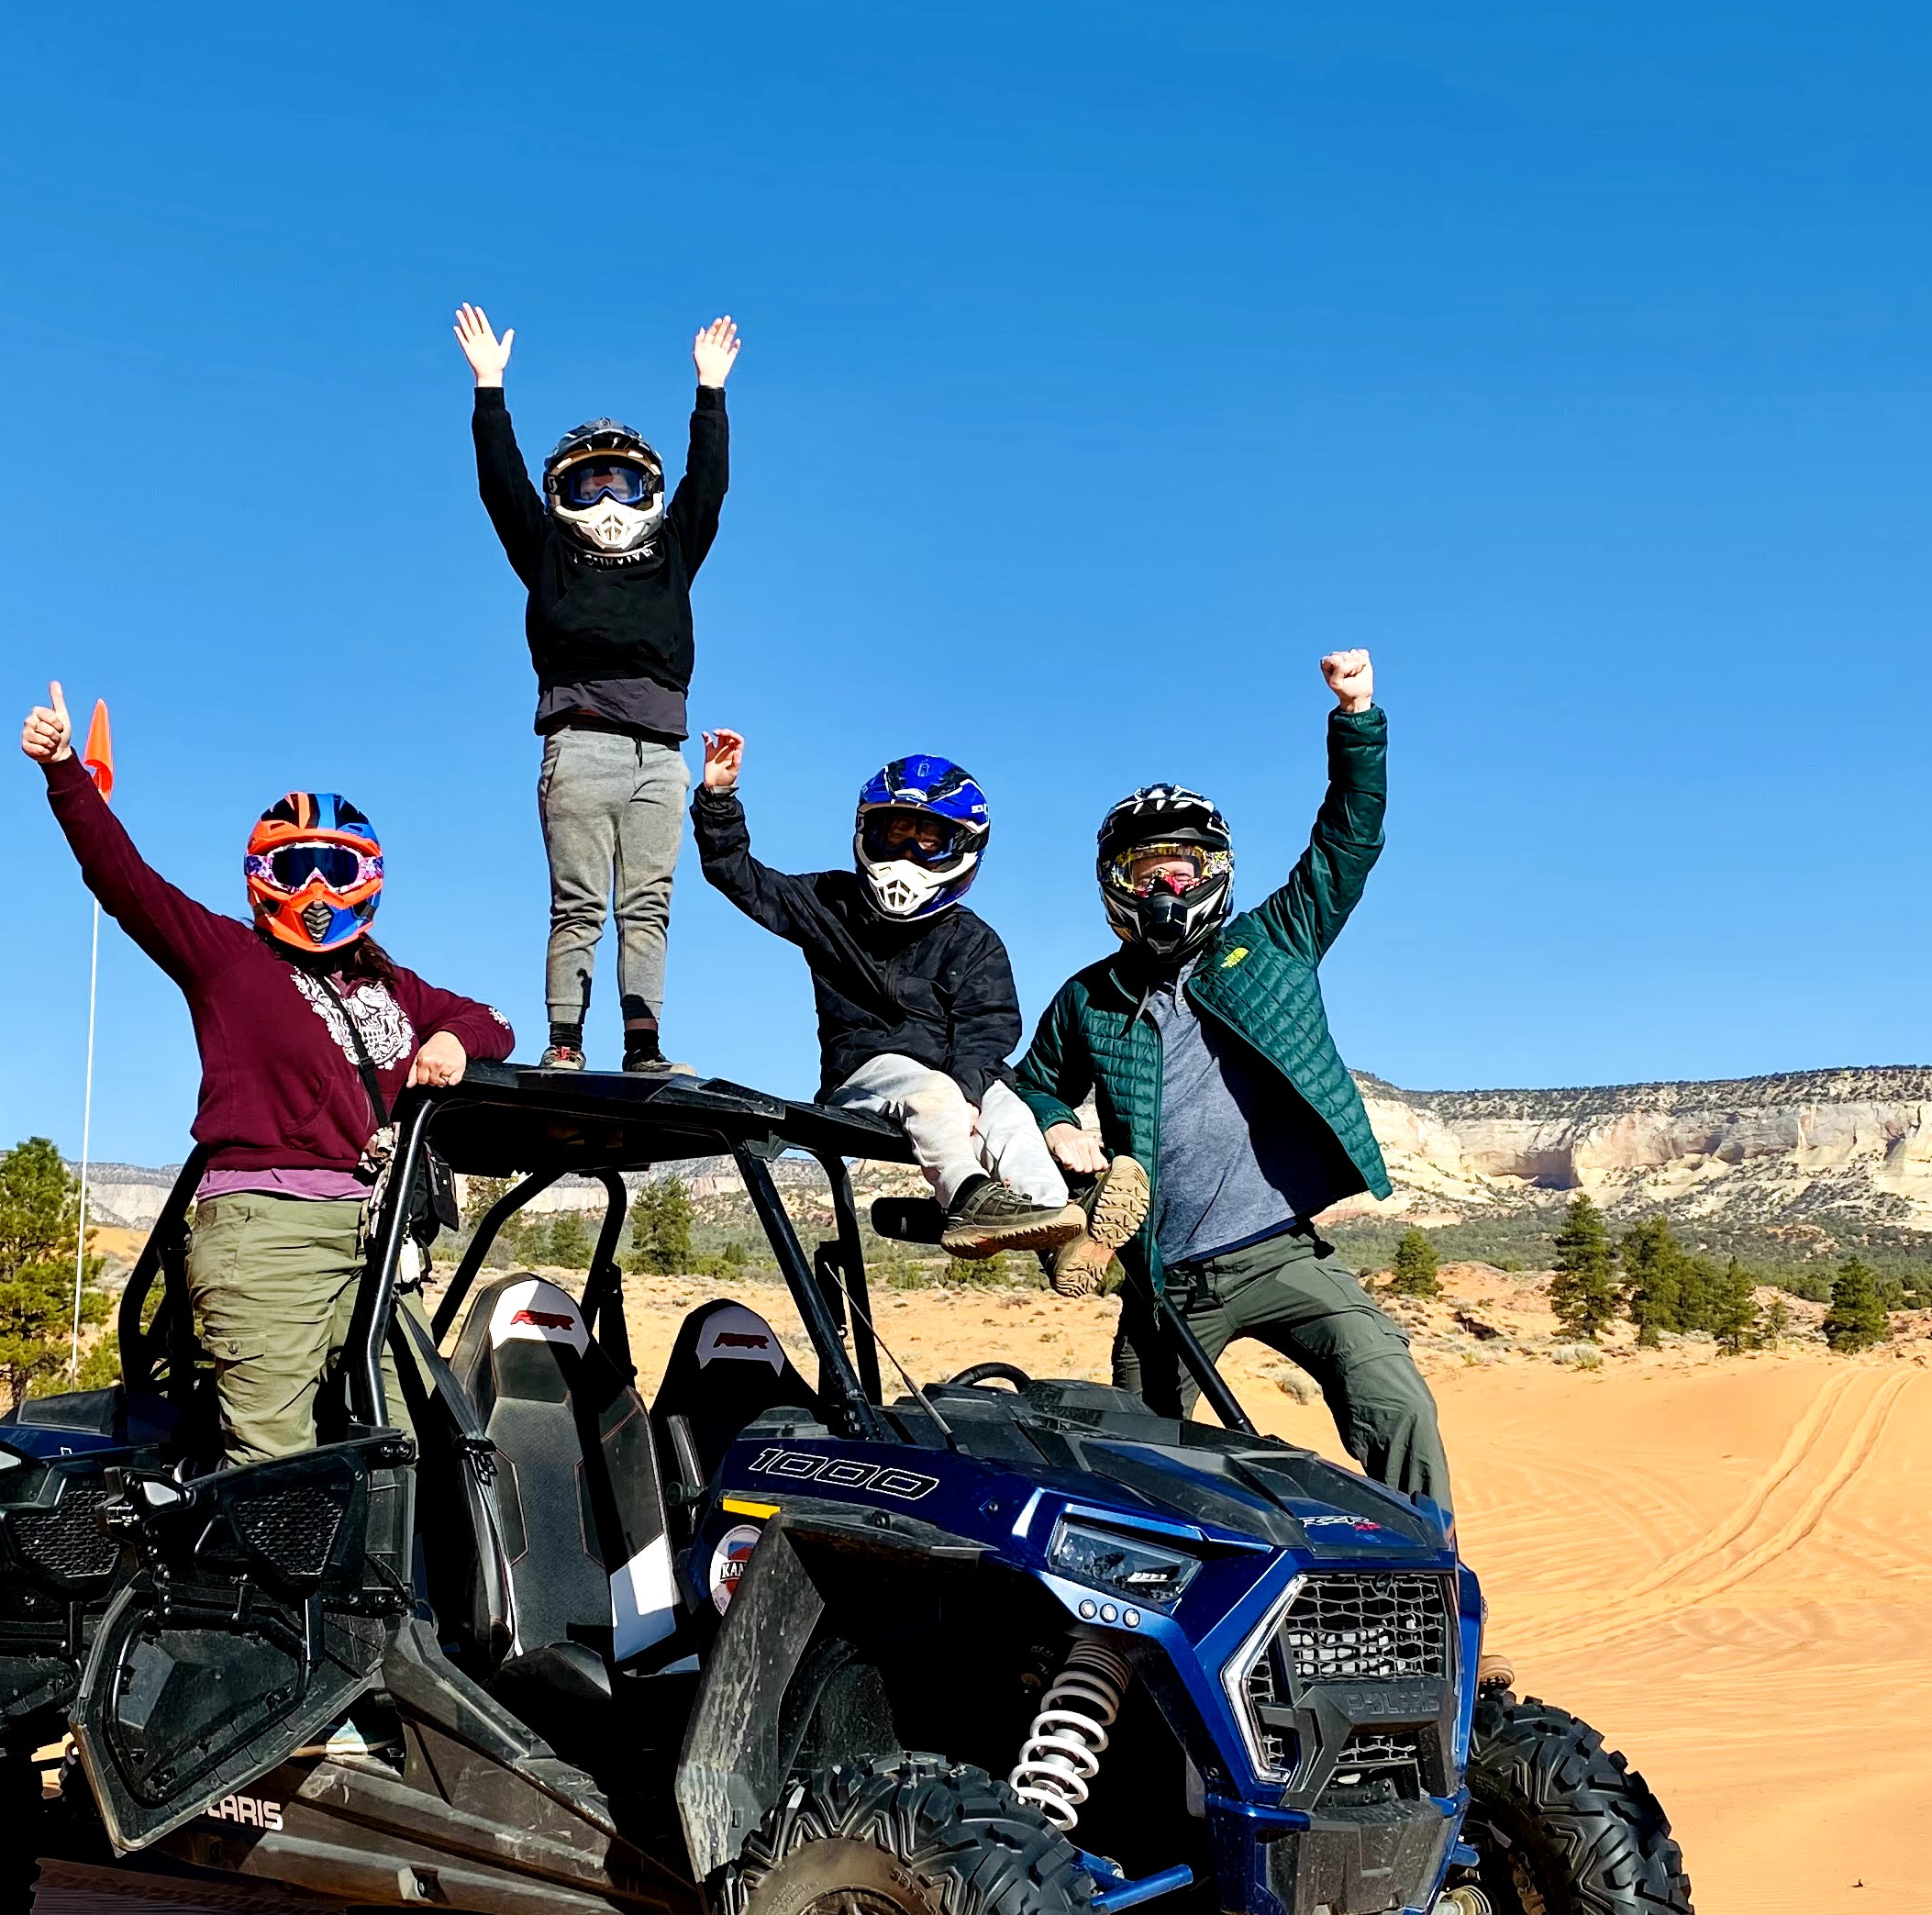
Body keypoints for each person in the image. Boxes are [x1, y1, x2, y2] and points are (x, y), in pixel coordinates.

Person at [21, 684, 513, 1464]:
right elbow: (125, 881)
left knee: (405, 1451)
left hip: (377, 1239)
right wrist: (64, 772)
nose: (317, 891)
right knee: (276, 1465)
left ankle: (382, 1588)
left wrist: (452, 1040)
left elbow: (495, 1021)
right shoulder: (227, 960)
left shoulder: (396, 987)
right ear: (261, 876)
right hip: (265, 1231)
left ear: (370, 876)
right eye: (296, 868)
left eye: (334, 867)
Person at [1005, 650, 1453, 1502]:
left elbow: (1348, 840)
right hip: (1164, 1275)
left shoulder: (1273, 943)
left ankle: (1431, 1589)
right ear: (1118, 884)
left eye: (1185, 866)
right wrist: (1057, 1123)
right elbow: (1033, 1083)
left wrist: (1357, 718)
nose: (1169, 884)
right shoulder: (1089, 997)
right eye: (1148, 870)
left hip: (1281, 1253)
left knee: (1393, 1398)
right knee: (1138, 1466)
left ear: (1215, 871)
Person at [455, 299, 738, 1074]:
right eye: (588, 486)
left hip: (662, 755)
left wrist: (709, 393)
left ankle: (644, 1048)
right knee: (578, 904)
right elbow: (499, 485)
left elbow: (708, 484)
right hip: (577, 746)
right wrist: (489, 388)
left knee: (649, 905)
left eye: (619, 483)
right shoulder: (546, 551)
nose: (607, 501)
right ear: (561, 494)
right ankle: (566, 1044)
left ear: (646, 488)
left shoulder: (674, 547)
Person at [690, 731, 1080, 1258]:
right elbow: (742, 878)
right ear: (866, 831)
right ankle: (968, 1202)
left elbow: (987, 1031)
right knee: (935, 1092)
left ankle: (1054, 1220)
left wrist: (970, 1090)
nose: (906, 852)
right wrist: (718, 801)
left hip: (953, 1080)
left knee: (1009, 1111)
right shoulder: (830, 903)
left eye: (927, 840)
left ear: (962, 849)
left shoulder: (975, 942)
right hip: (863, 1077)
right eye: (895, 832)